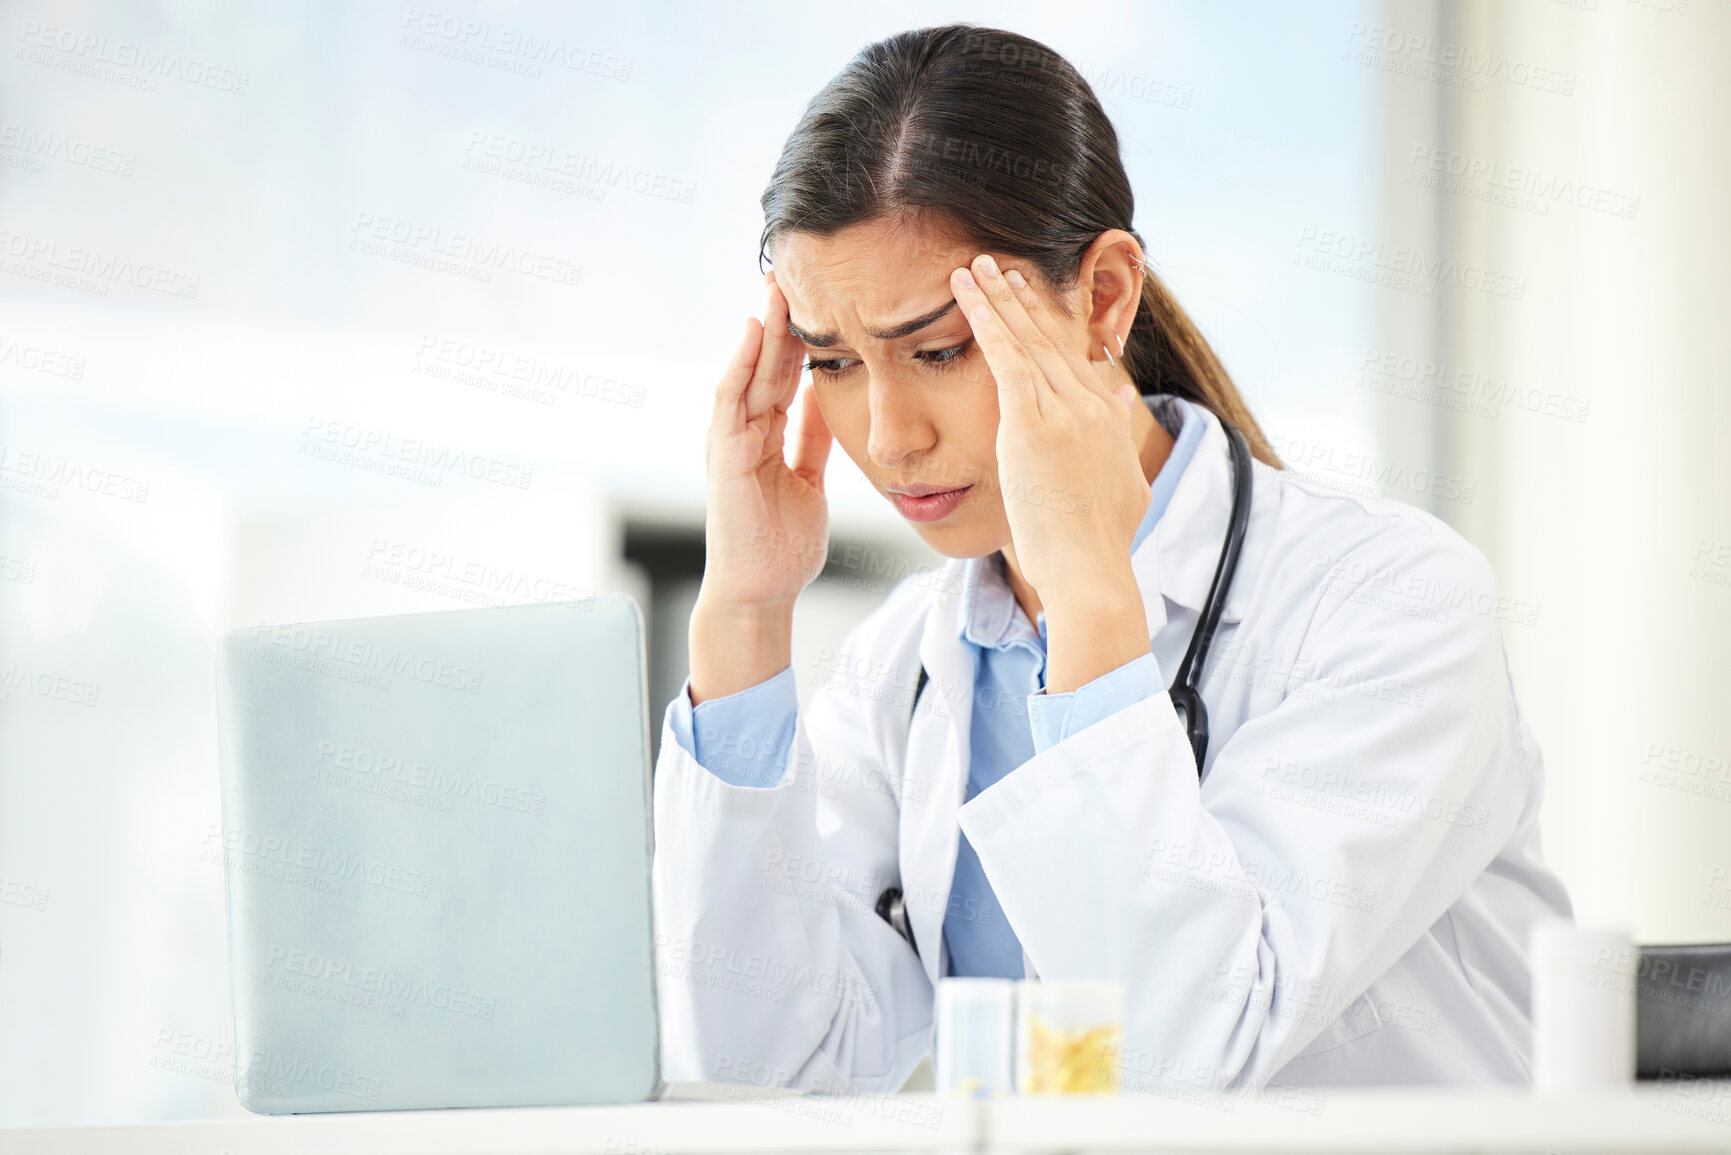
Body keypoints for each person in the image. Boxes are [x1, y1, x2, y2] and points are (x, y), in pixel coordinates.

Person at [651, 23, 1573, 1094]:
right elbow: (763, 1072)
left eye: (939, 350)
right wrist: (746, 621)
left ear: (1100, 300)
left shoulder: (1389, 601)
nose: (890, 434)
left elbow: (1186, 1060)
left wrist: (1090, 601)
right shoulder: (905, 668)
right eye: (836, 362)